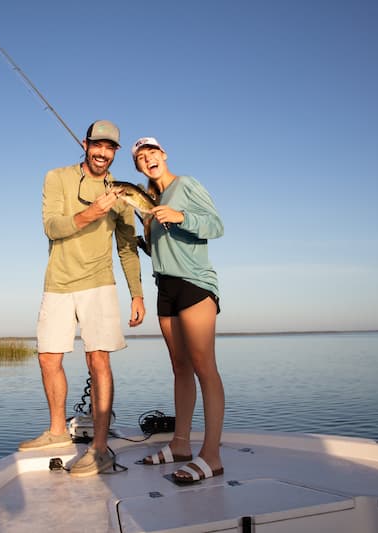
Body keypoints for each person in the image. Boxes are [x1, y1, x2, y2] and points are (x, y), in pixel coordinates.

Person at [19, 120, 146, 478]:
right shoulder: (56, 177)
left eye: (110, 148)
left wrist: (136, 293)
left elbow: (126, 248)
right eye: (97, 145)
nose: (102, 153)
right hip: (58, 282)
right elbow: (52, 227)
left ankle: (100, 448)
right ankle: (58, 431)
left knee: (98, 361)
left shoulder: (123, 193)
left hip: (99, 283)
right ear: (86, 144)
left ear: (116, 152)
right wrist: (93, 211)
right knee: (47, 357)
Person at [131, 136, 225, 484]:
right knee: (180, 367)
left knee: (204, 367)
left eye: (152, 152)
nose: (147, 159)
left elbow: (216, 225)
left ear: (164, 155)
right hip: (165, 287)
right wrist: (144, 242)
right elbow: (164, 250)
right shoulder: (149, 202)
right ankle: (181, 444)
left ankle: (212, 456)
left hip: (194, 284)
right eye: (141, 157)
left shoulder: (185, 185)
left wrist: (181, 215)